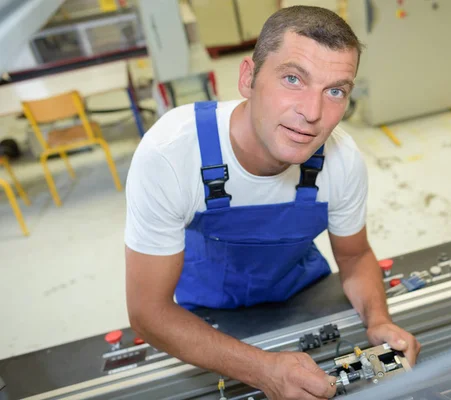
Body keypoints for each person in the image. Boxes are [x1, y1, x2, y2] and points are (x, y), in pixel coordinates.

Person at [124, 5, 420, 400]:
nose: (313, 114)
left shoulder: (342, 160)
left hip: (303, 297)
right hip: (206, 317)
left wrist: (378, 320)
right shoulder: (171, 155)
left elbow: (353, 257)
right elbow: (148, 313)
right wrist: (263, 370)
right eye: (293, 79)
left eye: (335, 91)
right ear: (248, 77)